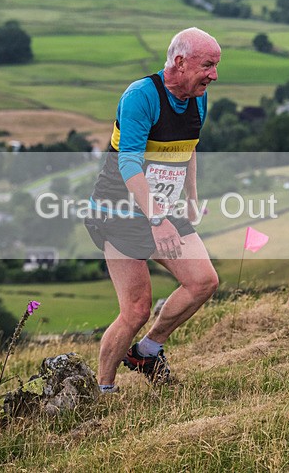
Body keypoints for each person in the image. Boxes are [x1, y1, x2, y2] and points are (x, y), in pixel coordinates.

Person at [85, 27, 221, 390]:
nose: (214, 75)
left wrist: (191, 198)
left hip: (162, 209)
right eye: (207, 65)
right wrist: (157, 219)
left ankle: (146, 350)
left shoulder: (198, 97)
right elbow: (129, 164)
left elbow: (188, 147)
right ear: (180, 62)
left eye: (216, 66)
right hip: (119, 213)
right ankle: (103, 390)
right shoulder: (141, 97)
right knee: (136, 310)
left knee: (203, 281)